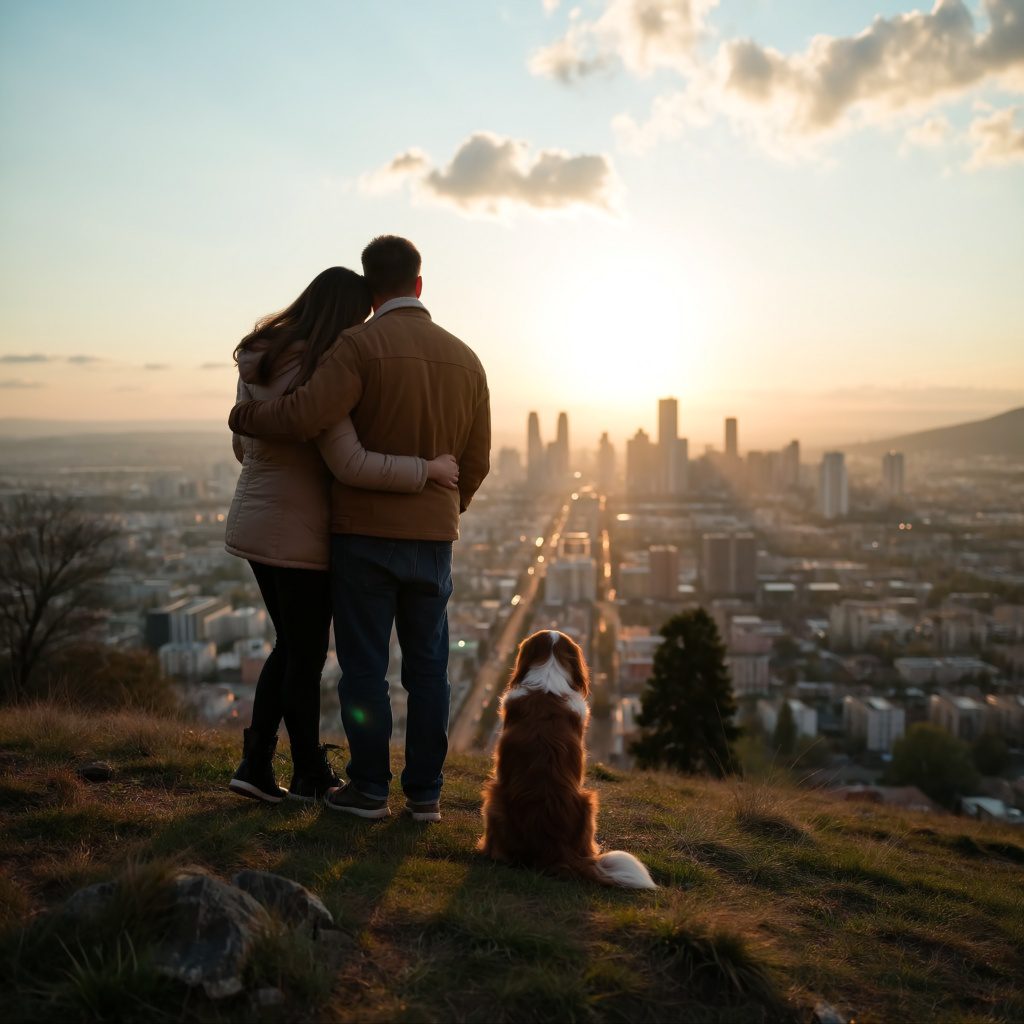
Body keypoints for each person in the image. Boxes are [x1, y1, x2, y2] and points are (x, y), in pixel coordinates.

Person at [230, 236, 490, 822]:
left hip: (362, 538)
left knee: (364, 669)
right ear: (420, 285)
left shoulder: (356, 346)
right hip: (432, 538)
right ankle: (425, 794)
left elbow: (301, 418)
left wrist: (242, 414)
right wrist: (444, 510)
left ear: (372, 292)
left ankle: (369, 787)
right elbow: (475, 464)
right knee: (428, 672)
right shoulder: (467, 359)